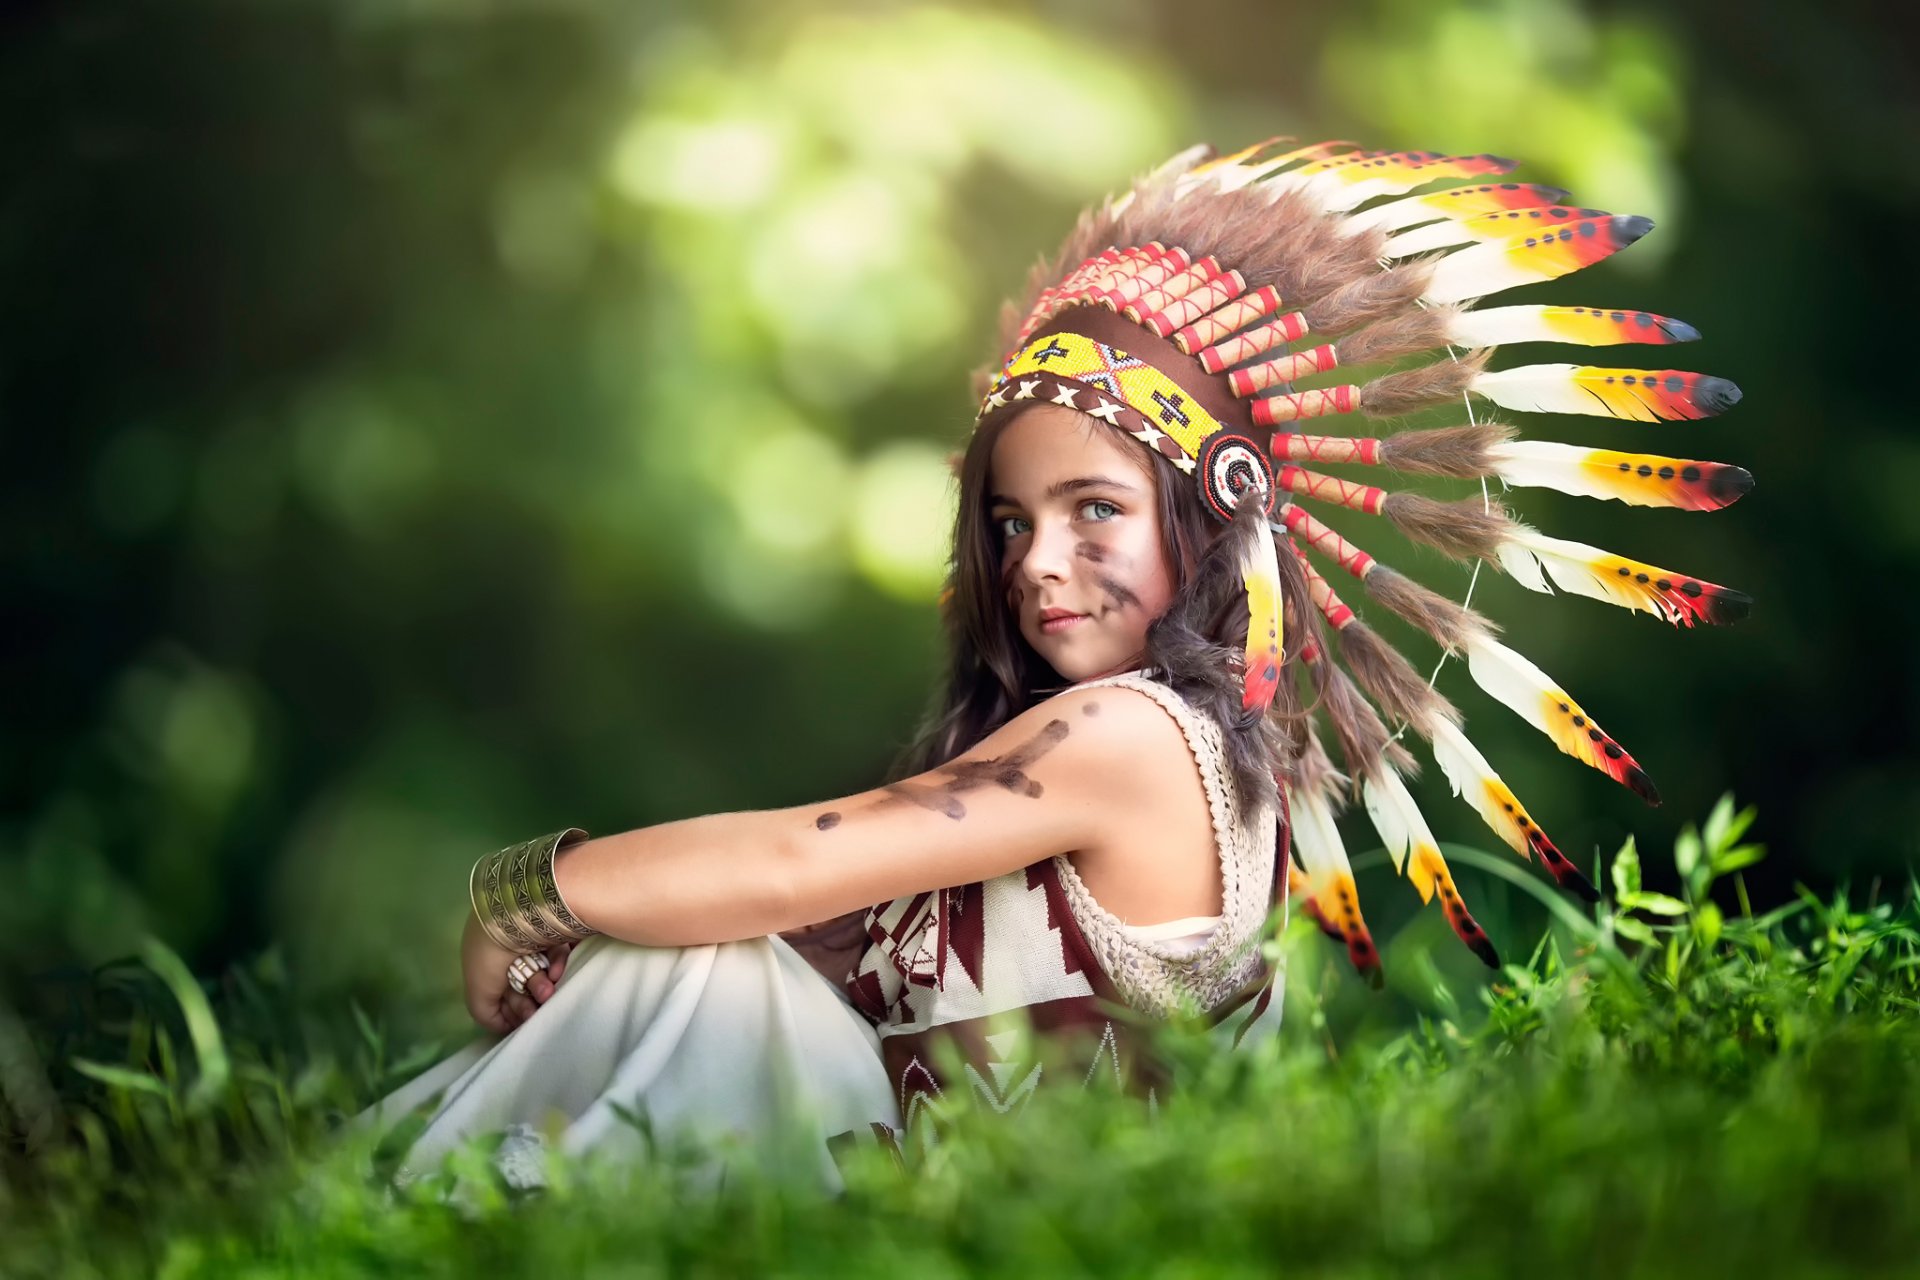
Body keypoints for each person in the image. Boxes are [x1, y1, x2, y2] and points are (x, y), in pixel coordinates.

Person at [361, 138, 1751, 1188]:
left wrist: (531, 893)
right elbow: (834, 936)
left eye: (1097, 513)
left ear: (1216, 512)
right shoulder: (1165, 749)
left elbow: (792, 861)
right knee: (712, 967)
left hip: (938, 1223)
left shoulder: (1133, 743)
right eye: (1013, 523)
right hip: (900, 1199)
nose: (1036, 562)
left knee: (716, 980)